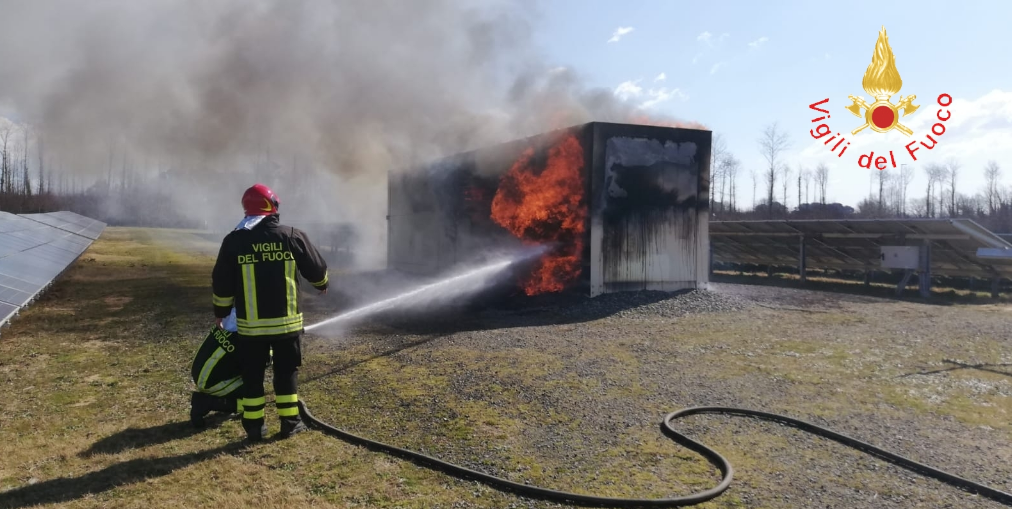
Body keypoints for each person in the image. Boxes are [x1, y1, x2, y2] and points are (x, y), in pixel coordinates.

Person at [211, 183, 329, 442]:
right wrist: (321, 285)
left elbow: (222, 282)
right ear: (273, 206)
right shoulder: (291, 235)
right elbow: (317, 269)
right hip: (286, 326)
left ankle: (254, 428)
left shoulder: (234, 241)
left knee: (252, 376)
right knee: (286, 373)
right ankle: (290, 423)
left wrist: (221, 311)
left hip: (251, 328)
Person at [189, 307, 250, 428]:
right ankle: (207, 403)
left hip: (200, 370)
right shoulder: (247, 336)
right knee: (254, 398)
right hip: (210, 381)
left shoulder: (232, 315)